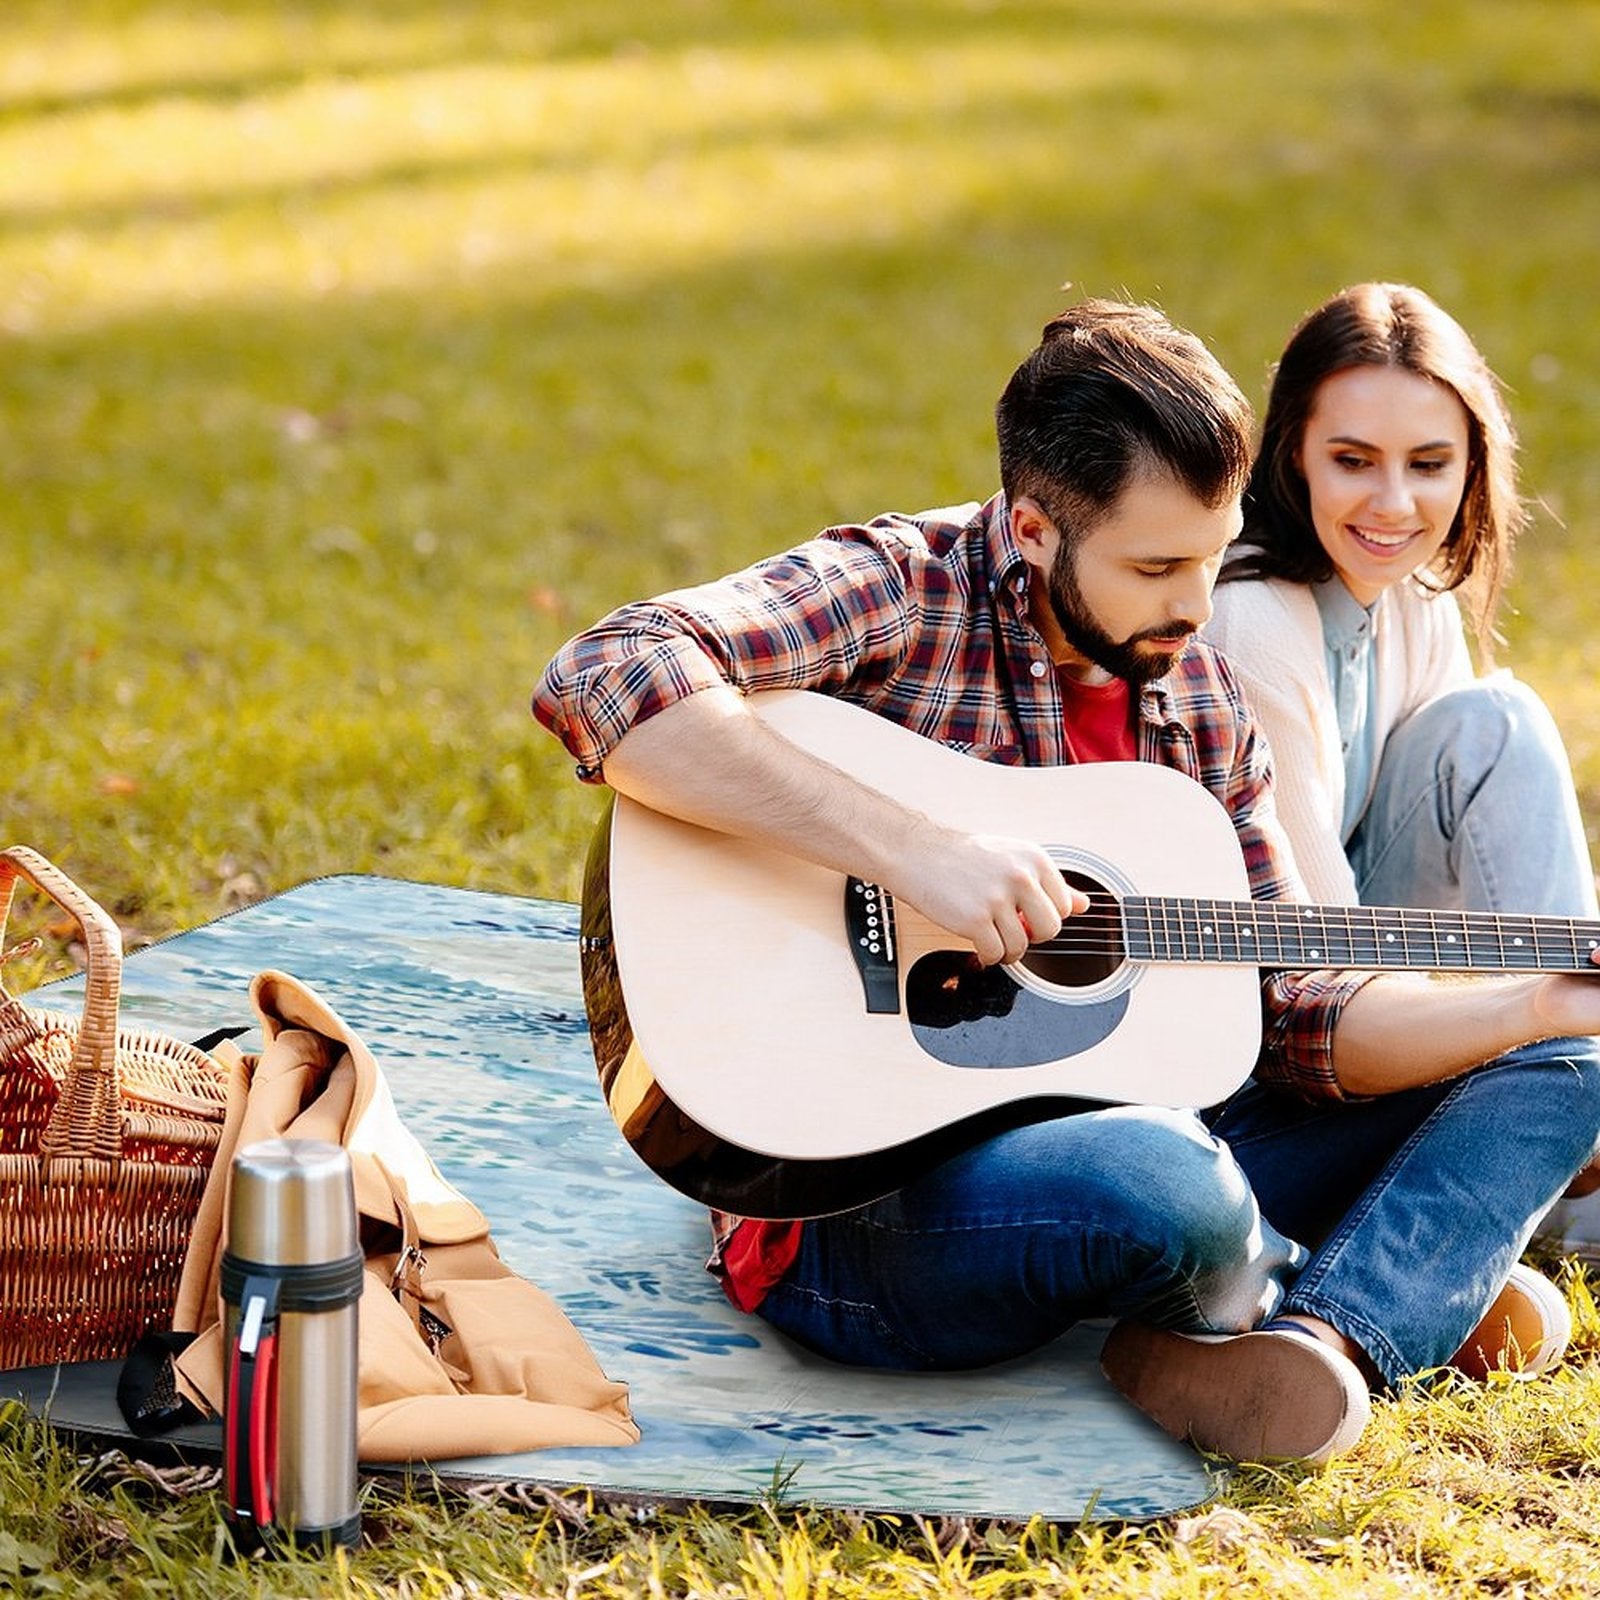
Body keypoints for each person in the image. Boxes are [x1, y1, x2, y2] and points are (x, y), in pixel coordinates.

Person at [532, 300, 1600, 1466]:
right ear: (1033, 528)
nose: (1197, 608)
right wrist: (910, 849)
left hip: (1159, 1134)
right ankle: (1380, 1275)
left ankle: (1328, 1338)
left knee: (1567, 1064)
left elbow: (1299, 1006)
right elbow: (608, 670)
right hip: (861, 1207)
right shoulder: (902, 587)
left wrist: (1529, 1005)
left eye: (1211, 553)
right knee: (1165, 1185)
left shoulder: (1195, 697)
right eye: (1154, 567)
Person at [1204, 282, 1600, 1256]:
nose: (1393, 503)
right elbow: (1318, 963)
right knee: (1499, 721)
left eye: (1429, 464)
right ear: (1291, 449)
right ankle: (1564, 1166)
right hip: (1271, 1045)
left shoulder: (1410, 592)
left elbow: (1460, 894)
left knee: (1489, 722)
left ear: (1472, 465)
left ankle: (1565, 1114)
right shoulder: (1252, 618)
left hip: (1368, 987)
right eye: (1352, 460)